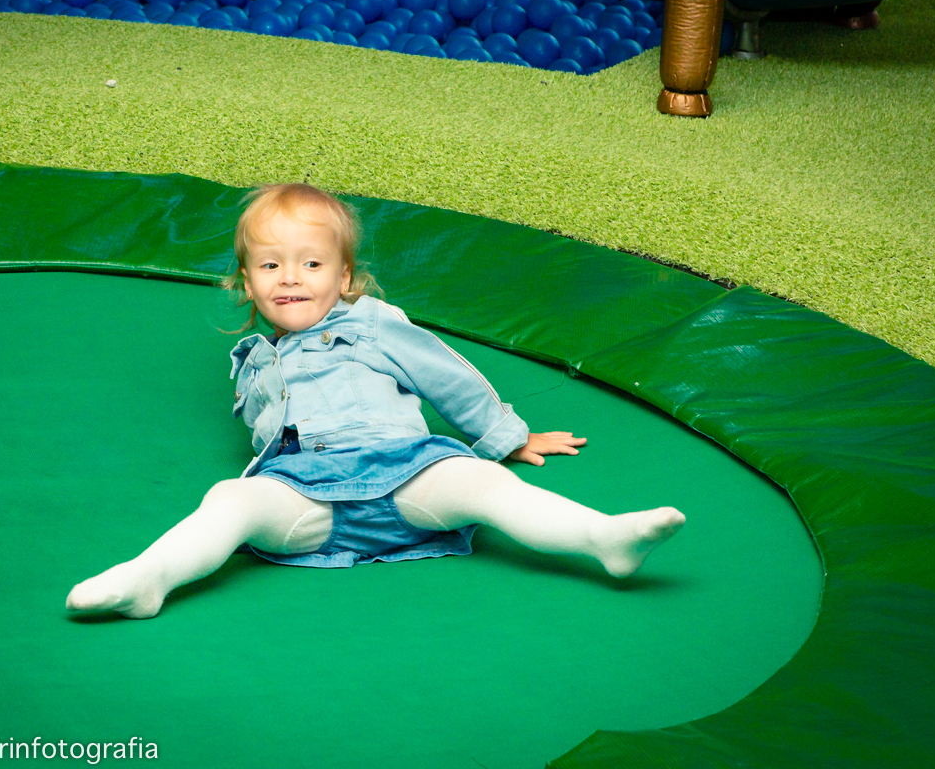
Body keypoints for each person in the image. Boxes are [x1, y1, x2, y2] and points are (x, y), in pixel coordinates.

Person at [66, 183, 686, 619]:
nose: (290, 277)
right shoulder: (254, 362)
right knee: (229, 499)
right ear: (246, 282)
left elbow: (448, 375)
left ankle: (604, 538)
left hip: (407, 475)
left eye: (311, 264)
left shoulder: (370, 324)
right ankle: (149, 579)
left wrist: (506, 437)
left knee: (483, 483)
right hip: (307, 502)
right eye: (271, 265)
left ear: (342, 278)